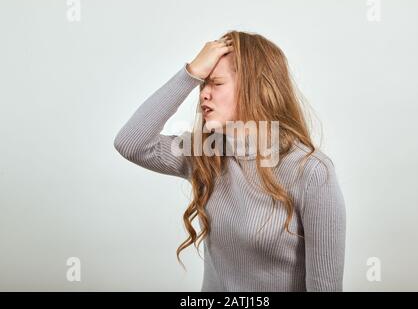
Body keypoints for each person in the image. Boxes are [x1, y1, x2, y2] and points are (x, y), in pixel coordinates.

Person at [114, 30, 346, 292]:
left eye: (216, 83)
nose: (203, 94)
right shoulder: (205, 154)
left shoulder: (311, 171)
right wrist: (190, 74)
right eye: (203, 84)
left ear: (256, 88)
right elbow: (130, 143)